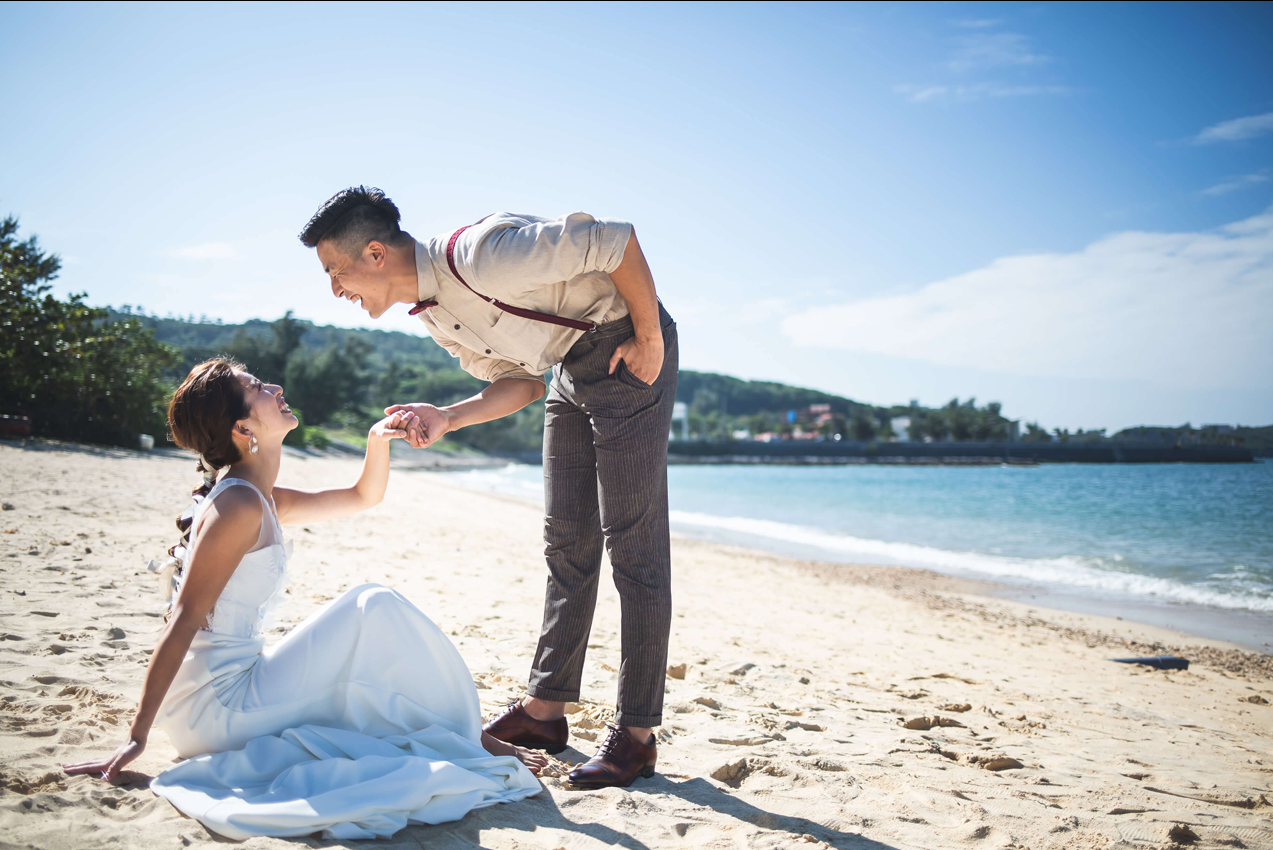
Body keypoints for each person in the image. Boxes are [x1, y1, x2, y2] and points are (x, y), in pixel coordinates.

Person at [63, 359, 544, 840]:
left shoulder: (260, 497)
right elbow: (183, 620)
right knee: (372, 607)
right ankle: (472, 740)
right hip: (217, 707)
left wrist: (378, 440)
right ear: (242, 427)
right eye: (256, 388)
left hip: (235, 681)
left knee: (369, 617)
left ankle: (468, 736)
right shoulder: (239, 505)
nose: (273, 387)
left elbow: (362, 496)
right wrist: (136, 737)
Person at [299, 187, 678, 789]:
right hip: (567, 375)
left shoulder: (479, 258)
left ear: (374, 253)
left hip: (625, 348)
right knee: (566, 546)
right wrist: (448, 416)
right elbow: (520, 384)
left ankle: (636, 736)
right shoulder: (434, 316)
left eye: (334, 271)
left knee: (633, 549)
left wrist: (650, 336)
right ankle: (547, 711)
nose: (334, 288)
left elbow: (616, 241)